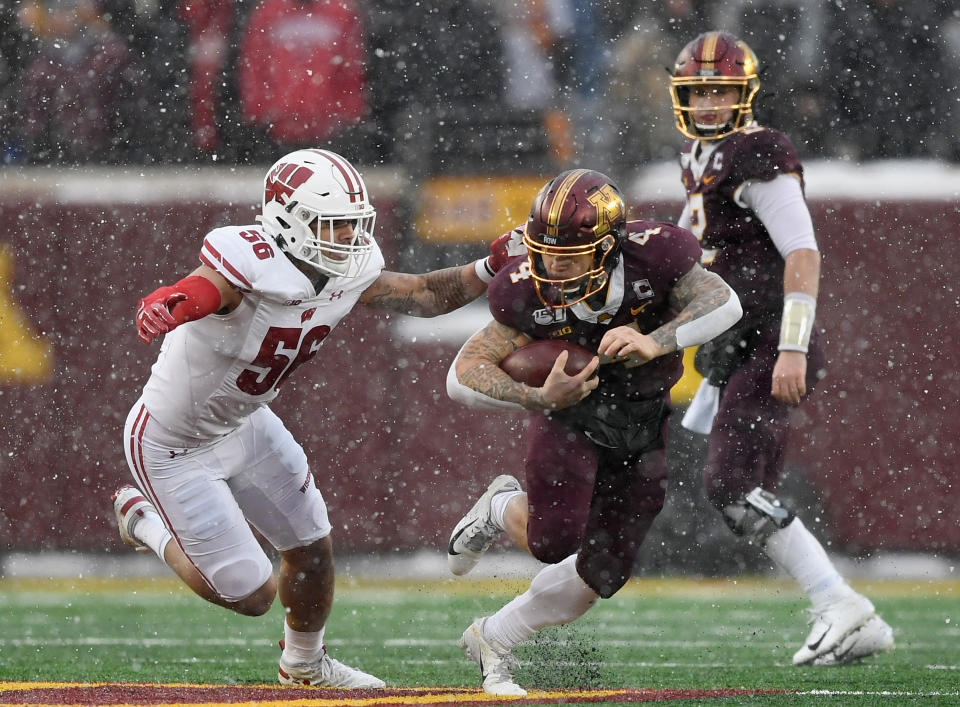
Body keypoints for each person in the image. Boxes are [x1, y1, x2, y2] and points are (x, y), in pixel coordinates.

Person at [111, 148, 490, 689]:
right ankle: (144, 520)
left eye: (355, 227)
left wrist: (490, 268)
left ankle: (304, 665)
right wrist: (170, 301)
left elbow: (425, 293)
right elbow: (205, 288)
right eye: (335, 226)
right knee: (251, 594)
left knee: (311, 548)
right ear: (289, 221)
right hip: (171, 444)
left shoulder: (350, 269)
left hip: (245, 423)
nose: (349, 241)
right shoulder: (251, 262)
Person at [444, 168, 742, 695]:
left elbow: (725, 303)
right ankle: (500, 507)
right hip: (572, 416)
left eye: (569, 254)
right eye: (544, 250)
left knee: (603, 573)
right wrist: (538, 397)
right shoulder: (523, 290)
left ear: (609, 246)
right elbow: (464, 374)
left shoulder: (656, 256)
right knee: (553, 542)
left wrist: (658, 340)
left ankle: (494, 636)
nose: (552, 265)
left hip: (644, 420)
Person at [668, 31, 894, 665]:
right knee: (741, 498)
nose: (709, 103)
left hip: (770, 341)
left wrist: (792, 346)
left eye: (720, 91)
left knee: (730, 484)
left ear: (745, 94)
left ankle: (842, 604)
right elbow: (691, 246)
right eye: (698, 92)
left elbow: (802, 251)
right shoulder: (700, 156)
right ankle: (843, 609)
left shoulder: (757, 153)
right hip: (736, 345)